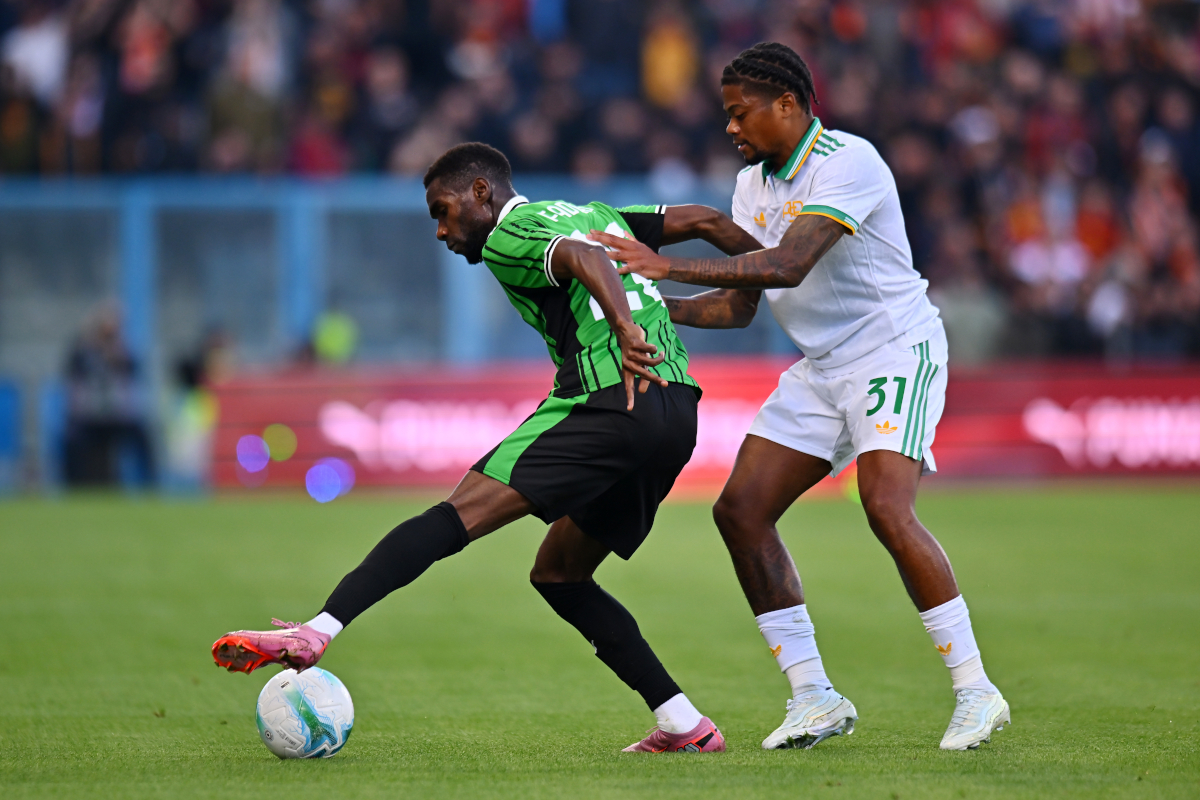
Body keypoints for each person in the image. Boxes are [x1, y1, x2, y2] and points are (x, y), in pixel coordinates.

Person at [212, 142, 760, 754]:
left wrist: (626, 331)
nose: (443, 231)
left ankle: (315, 632)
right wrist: (762, 274)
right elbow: (706, 221)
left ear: (481, 192)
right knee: (560, 574)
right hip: (676, 409)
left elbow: (579, 259)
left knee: (453, 516)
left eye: (443, 211)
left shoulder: (511, 232)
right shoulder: (594, 211)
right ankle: (685, 725)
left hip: (607, 398)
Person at [591, 42, 1009, 752]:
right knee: (740, 511)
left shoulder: (851, 161)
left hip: (894, 348)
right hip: (822, 366)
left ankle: (977, 690)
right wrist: (653, 306)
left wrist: (662, 260)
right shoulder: (751, 187)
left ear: (787, 103)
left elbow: (787, 264)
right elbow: (741, 306)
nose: (730, 128)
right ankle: (815, 696)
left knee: (884, 504)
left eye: (739, 112)